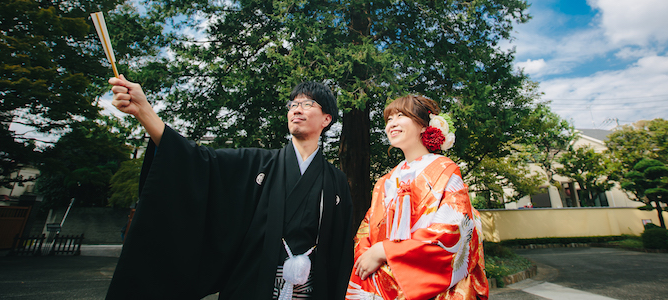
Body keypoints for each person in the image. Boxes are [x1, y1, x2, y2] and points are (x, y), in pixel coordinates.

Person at [105, 75, 354, 300]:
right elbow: (197, 162)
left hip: (310, 290)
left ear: (326, 119)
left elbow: (340, 251)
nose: (296, 110)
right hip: (253, 286)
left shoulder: (336, 181)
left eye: (307, 104)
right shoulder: (256, 164)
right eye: (292, 105)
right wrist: (144, 111)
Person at [347, 95, 488, 300]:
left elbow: (454, 229)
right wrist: (367, 256)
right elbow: (367, 229)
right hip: (381, 283)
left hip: (424, 285)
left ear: (423, 126)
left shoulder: (445, 171)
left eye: (401, 115)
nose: (392, 123)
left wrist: (386, 252)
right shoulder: (385, 181)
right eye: (389, 119)